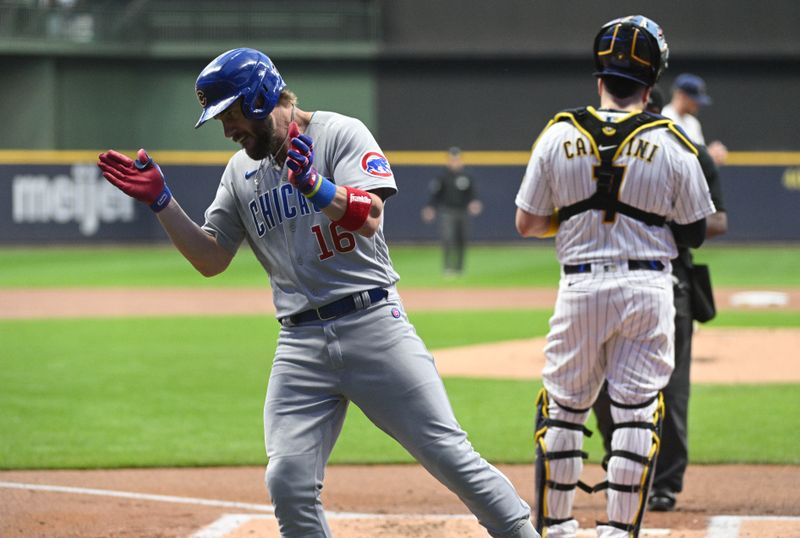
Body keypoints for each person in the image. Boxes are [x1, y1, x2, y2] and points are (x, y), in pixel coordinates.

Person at [96, 48, 538, 538]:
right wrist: (163, 203)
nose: (227, 130)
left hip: (372, 324)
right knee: (287, 478)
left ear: (260, 97)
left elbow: (369, 217)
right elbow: (211, 258)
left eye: (231, 114)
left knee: (449, 454)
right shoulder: (239, 173)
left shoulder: (340, 133)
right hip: (299, 344)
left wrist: (314, 185)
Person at [514, 15, 715, 538]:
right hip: (649, 288)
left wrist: (581, 213)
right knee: (635, 415)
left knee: (563, 411)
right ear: (654, 81)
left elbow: (527, 222)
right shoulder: (673, 141)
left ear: (599, 74)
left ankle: (556, 528)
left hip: (580, 284)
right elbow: (695, 231)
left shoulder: (558, 134)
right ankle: (617, 532)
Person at [592, 86, 728, 513]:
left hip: (672, 285)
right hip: (606, 283)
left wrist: (662, 218)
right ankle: (622, 465)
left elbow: (714, 221)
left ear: (650, 104)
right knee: (600, 386)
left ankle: (665, 482)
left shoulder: (687, 151)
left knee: (671, 389)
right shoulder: (600, 150)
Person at [421, 146, 483, 276]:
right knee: (448, 238)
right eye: (452, 159)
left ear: (461, 160)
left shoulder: (466, 176)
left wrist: (474, 203)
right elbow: (435, 195)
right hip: (447, 212)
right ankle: (448, 267)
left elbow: (472, 194)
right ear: (448, 161)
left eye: (457, 159)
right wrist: (430, 207)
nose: (454, 162)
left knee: (462, 239)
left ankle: (460, 268)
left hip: (463, 212)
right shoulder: (443, 177)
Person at [661, 73, 728, 166]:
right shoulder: (664, 118)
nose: (698, 104)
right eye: (694, 99)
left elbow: (698, 158)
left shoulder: (693, 123)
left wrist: (710, 157)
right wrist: (708, 156)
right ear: (681, 95)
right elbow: (670, 157)